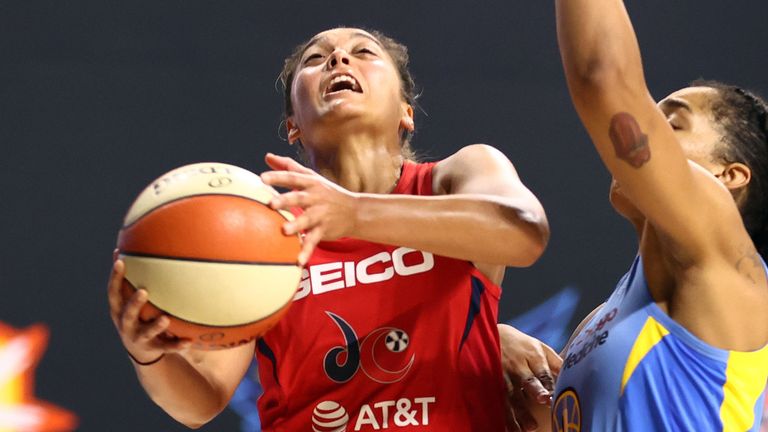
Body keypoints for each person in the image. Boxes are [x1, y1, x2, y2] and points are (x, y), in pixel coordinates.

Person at [107, 27, 556, 431]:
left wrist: (354, 212)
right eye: (316, 59)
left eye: (363, 52)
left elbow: (524, 231)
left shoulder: (454, 178)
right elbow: (199, 402)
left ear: (406, 112)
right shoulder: (263, 235)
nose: (339, 59)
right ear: (292, 127)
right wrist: (150, 354)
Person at [516, 0, 768, 430]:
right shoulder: (601, 319)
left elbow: (602, 79)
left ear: (728, 176)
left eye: (671, 124)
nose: (651, 128)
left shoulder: (723, 261)